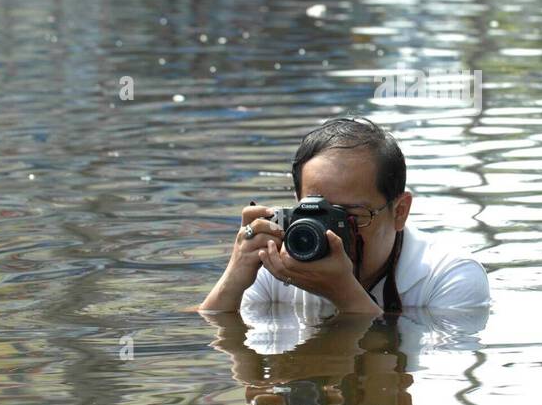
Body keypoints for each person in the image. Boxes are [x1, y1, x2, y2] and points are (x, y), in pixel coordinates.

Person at [199, 117, 489, 316]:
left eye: (352, 216)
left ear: (400, 212)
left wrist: (343, 293)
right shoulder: (277, 256)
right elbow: (215, 340)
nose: (331, 234)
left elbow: (406, 368)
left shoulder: (449, 275)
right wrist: (234, 277)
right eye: (316, 211)